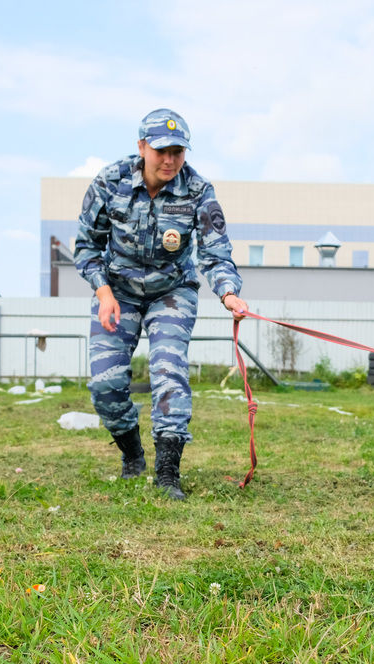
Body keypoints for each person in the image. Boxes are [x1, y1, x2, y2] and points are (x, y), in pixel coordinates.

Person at [74, 108, 249, 500]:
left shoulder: (198, 190)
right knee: (105, 384)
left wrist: (228, 292)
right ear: (142, 148)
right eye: (161, 151)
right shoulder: (110, 181)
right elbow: (86, 246)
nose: (169, 160)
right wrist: (102, 291)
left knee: (168, 370)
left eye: (178, 152)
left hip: (172, 290)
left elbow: (215, 252)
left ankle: (168, 472)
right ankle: (132, 452)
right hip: (116, 291)